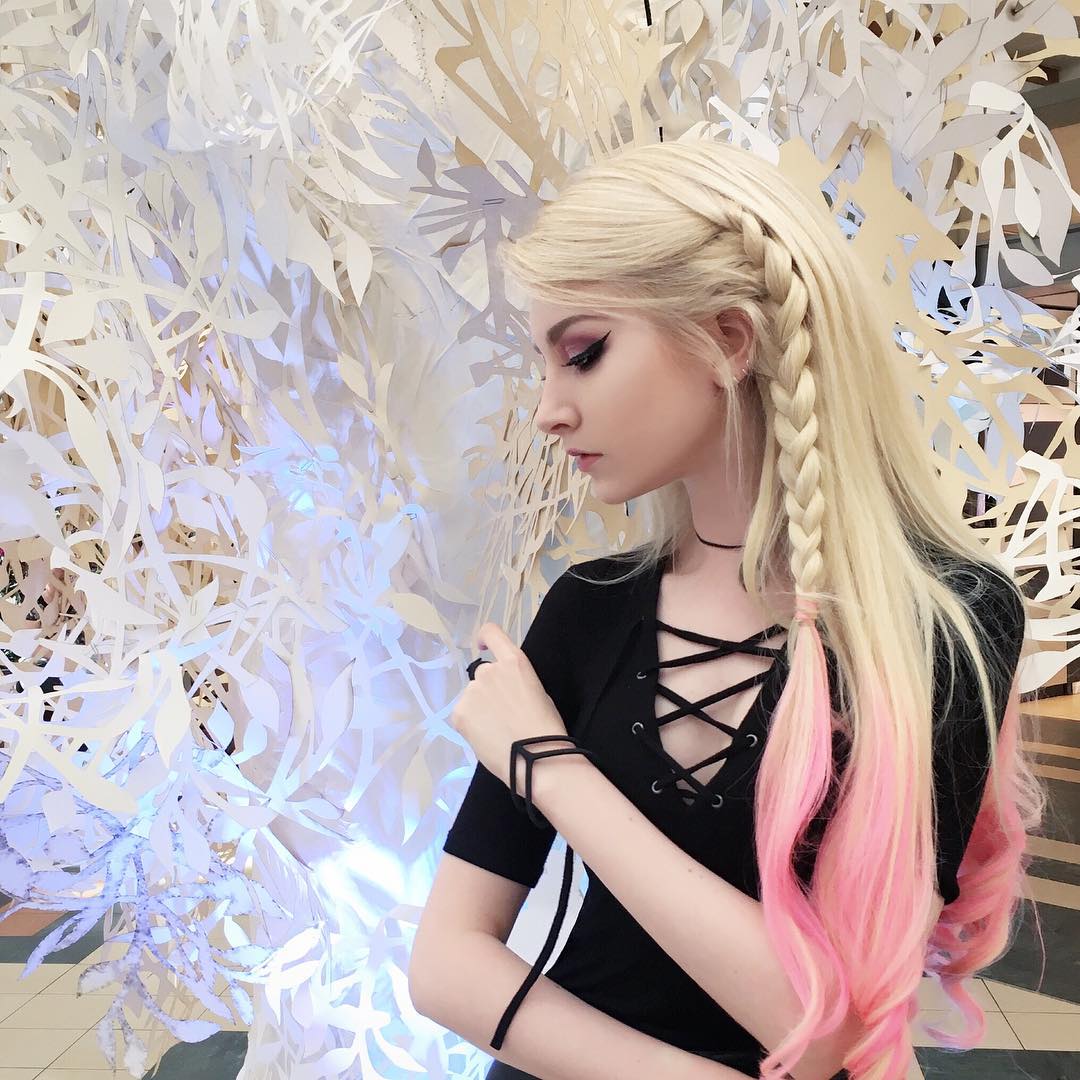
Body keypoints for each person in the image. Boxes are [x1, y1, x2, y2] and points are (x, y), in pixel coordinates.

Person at [408, 139, 1044, 1080]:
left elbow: (824, 1031)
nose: (549, 409)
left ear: (730, 339)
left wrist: (552, 769)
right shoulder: (588, 609)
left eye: (583, 354)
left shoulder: (946, 620)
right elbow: (444, 965)